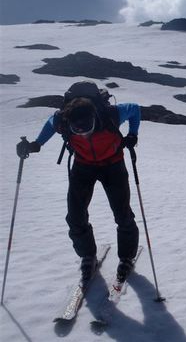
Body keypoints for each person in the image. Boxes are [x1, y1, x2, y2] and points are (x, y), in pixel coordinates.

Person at [16, 81, 141, 282]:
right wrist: (35, 144)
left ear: (94, 116)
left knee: (122, 213)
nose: (84, 133)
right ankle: (87, 255)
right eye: (78, 129)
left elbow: (135, 109)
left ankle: (126, 256)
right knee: (75, 216)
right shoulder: (62, 120)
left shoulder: (111, 115)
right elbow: (50, 123)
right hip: (83, 166)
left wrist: (133, 134)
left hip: (113, 165)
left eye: (87, 127)